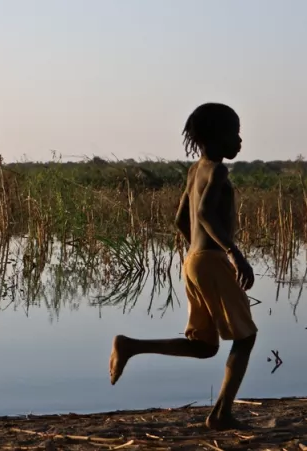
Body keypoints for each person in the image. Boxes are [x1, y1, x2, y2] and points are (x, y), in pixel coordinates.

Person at [108, 102, 257, 431]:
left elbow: (180, 218)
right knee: (245, 338)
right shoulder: (218, 170)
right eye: (235, 133)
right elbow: (203, 213)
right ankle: (221, 414)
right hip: (211, 261)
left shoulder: (195, 170)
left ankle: (131, 346)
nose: (240, 140)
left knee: (204, 347)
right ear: (217, 137)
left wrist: (198, 250)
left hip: (192, 261)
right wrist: (232, 252)